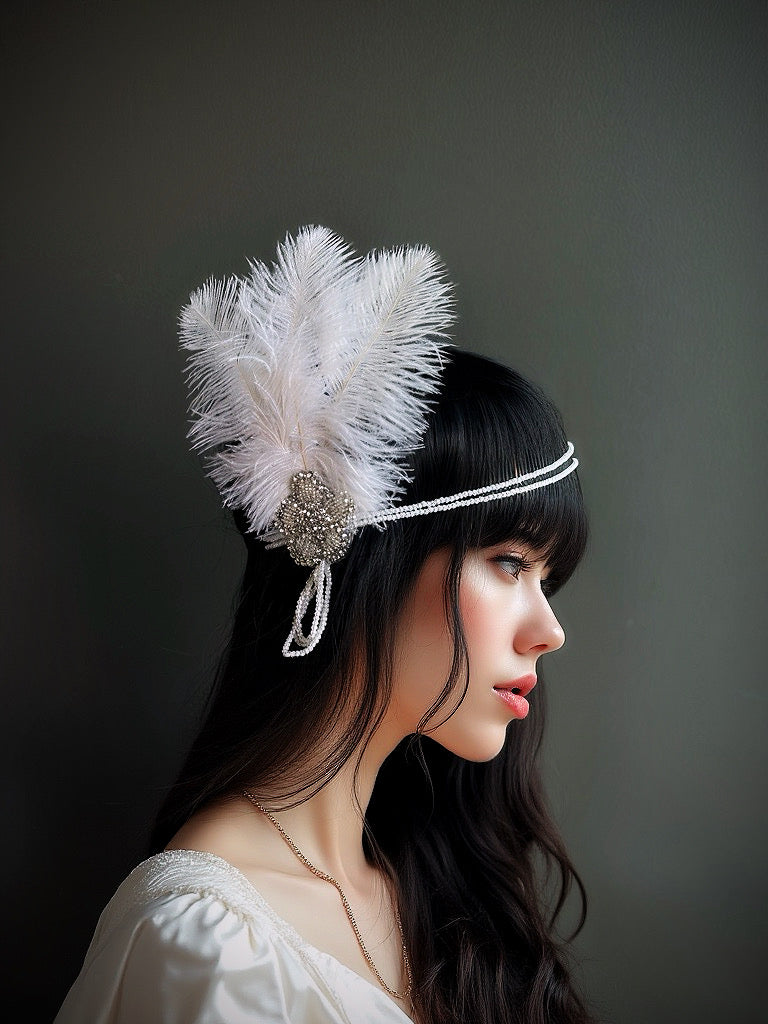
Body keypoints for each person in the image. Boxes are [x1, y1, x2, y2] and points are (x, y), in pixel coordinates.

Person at [55, 226, 594, 1024]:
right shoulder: (203, 944)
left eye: (547, 580)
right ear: (373, 557)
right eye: (511, 564)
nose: (548, 631)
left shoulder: (440, 891)